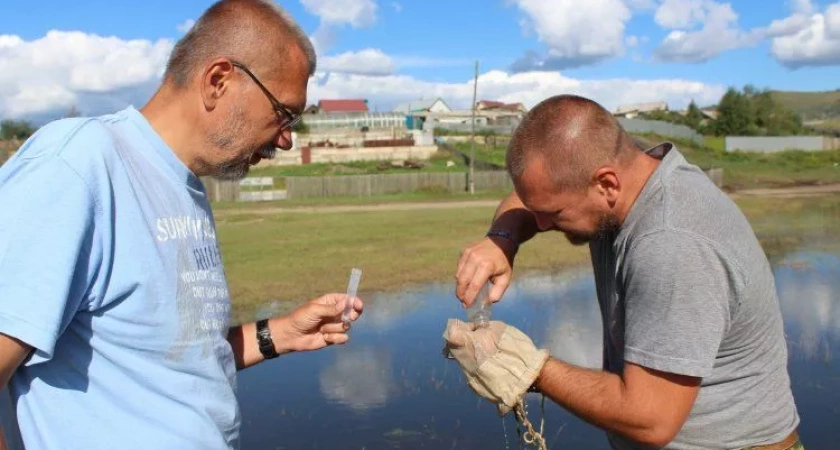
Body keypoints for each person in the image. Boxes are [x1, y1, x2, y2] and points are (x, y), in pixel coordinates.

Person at [0, 1, 363, 449]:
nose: (286, 139)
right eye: (283, 113)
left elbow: (178, 359)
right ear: (218, 81)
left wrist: (281, 333)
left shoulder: (181, 185)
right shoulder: (78, 164)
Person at [444, 94, 802, 450]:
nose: (539, 223)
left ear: (607, 184)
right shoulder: (629, 178)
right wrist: (501, 238)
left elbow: (650, 419)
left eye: (552, 213)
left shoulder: (671, 243)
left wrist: (529, 369)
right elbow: (526, 200)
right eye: (538, 212)